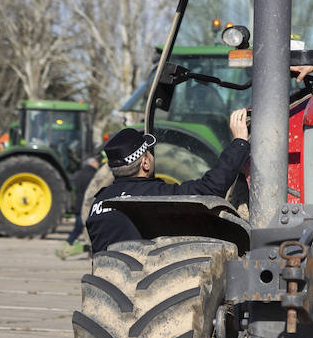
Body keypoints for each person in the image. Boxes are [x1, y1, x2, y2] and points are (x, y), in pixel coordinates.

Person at [87, 109, 251, 254]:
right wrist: (240, 142)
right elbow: (211, 189)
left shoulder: (97, 204)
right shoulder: (156, 197)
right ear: (145, 163)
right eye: (150, 153)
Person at [55, 154, 101, 259]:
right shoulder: (93, 175)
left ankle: (66, 248)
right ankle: (69, 250)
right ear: (92, 163)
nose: (97, 164)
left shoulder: (79, 174)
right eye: (96, 162)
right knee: (85, 230)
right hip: (86, 208)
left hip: (78, 206)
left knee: (78, 229)